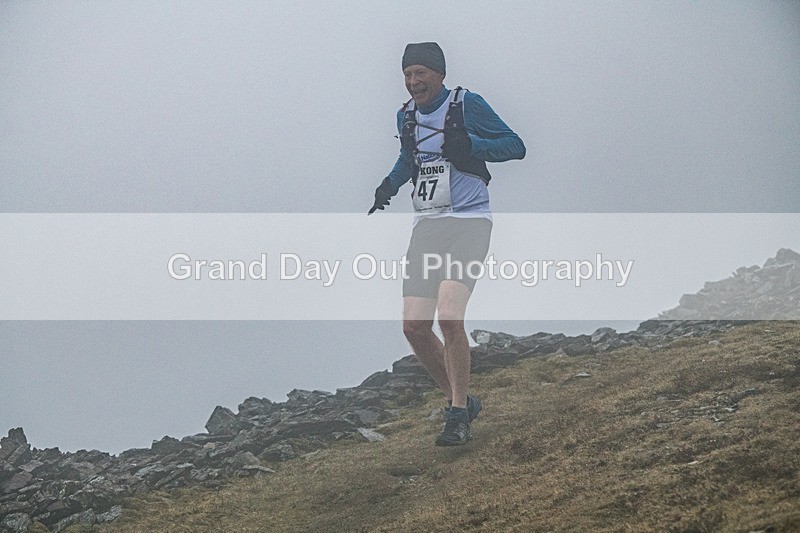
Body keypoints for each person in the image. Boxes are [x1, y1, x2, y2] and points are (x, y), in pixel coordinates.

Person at [368, 42, 525, 446]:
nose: (413, 81)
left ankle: (456, 415)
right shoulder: (405, 115)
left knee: (450, 319)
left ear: (439, 74)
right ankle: (462, 400)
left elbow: (515, 145)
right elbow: (410, 156)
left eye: (420, 73)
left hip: (469, 223)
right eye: (407, 74)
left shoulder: (465, 104)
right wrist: (390, 183)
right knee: (415, 327)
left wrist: (474, 146)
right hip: (428, 227)